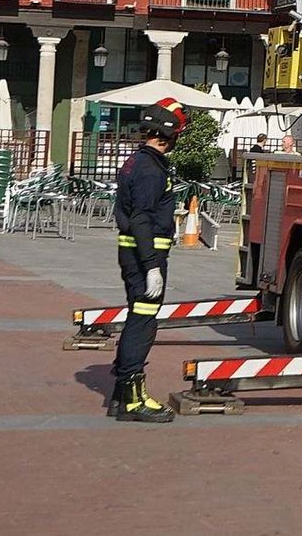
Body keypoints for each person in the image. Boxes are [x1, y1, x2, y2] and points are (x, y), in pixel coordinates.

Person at [108, 98, 188, 423]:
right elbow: (141, 218)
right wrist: (153, 266)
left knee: (136, 320)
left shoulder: (136, 162)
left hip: (134, 255)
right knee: (142, 324)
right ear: (169, 135)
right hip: (144, 259)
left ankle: (121, 395)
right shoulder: (150, 169)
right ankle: (131, 401)